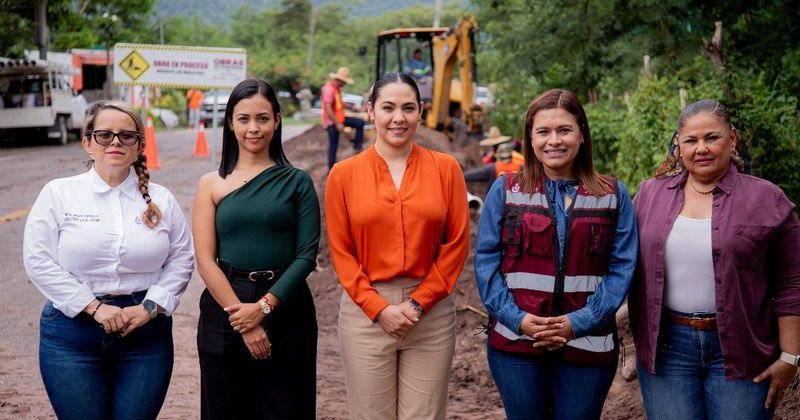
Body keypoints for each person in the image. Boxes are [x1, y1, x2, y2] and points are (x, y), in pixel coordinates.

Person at [22, 99, 194, 420]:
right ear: (88, 143)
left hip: (145, 332)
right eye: (104, 135)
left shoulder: (162, 199)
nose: (115, 142)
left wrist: (150, 307)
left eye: (126, 136)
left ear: (140, 146)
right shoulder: (58, 194)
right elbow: (38, 260)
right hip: (72, 334)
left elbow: (182, 258)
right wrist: (94, 308)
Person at [630, 99, 800, 420]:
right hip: (667, 347)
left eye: (712, 137)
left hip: (742, 347)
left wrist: (790, 356)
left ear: (732, 138)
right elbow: (622, 263)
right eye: (691, 141)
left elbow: (792, 283)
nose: (701, 149)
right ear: (678, 145)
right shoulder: (650, 195)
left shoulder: (767, 199)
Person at [473, 89, 638, 420]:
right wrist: (518, 319)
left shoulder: (612, 195)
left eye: (564, 130)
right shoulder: (506, 190)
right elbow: (486, 265)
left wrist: (578, 323)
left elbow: (621, 268)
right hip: (516, 343)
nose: (554, 141)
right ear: (530, 138)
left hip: (588, 344)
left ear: (581, 134)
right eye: (543, 131)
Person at [325, 72, 469, 420]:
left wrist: (418, 304)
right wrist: (379, 308)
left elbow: (457, 243)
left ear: (420, 111)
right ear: (371, 111)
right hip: (365, 314)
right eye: (388, 107)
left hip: (430, 313)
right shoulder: (343, 175)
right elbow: (341, 252)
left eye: (408, 108)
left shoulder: (446, 169)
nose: (398, 118)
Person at [193, 78, 320, 419]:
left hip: (287, 304)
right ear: (230, 122)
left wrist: (264, 307)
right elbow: (205, 260)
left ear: (277, 120)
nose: (254, 128)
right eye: (244, 118)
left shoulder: (297, 181)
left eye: (263, 118)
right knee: (226, 410)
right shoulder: (211, 183)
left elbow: (307, 256)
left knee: (287, 407)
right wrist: (246, 320)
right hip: (226, 306)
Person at [322, 67, 365, 169]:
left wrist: (351, 107)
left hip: (340, 119)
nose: (344, 85)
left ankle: (357, 146)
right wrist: (338, 124)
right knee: (333, 146)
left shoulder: (336, 89)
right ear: (339, 80)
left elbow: (339, 104)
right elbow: (328, 109)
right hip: (332, 122)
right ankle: (330, 169)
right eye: (343, 82)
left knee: (360, 123)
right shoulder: (328, 89)